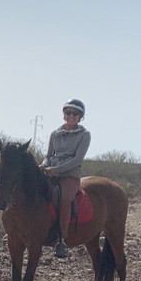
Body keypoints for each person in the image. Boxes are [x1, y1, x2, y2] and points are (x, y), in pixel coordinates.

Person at [41, 98, 91, 258]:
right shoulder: (55, 134)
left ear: (80, 117)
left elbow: (77, 160)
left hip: (69, 175)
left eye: (75, 114)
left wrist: (57, 170)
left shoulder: (84, 135)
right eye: (68, 112)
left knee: (65, 198)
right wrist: (43, 165)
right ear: (64, 114)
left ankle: (61, 240)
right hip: (51, 171)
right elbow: (48, 155)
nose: (71, 116)